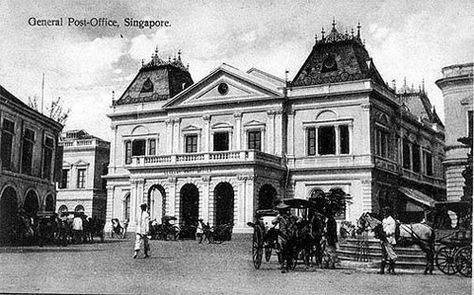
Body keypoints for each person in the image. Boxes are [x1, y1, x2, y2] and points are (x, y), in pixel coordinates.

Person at [379, 207, 398, 274]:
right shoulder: (384, 220)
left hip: (389, 239)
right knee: (383, 255)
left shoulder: (392, 221)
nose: (384, 214)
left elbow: (392, 231)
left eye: (385, 212)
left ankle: (392, 270)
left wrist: (385, 234)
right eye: (383, 212)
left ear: (388, 213)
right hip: (383, 240)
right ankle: (382, 270)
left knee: (391, 255)